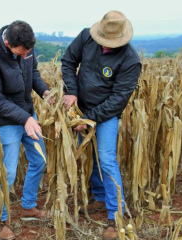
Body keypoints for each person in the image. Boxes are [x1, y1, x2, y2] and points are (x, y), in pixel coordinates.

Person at [61, 10, 142, 240]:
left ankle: (116, 216)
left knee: (106, 159)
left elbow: (118, 100)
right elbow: (68, 61)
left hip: (106, 115)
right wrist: (71, 91)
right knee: (91, 155)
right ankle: (98, 196)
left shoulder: (130, 60)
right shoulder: (86, 37)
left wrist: (90, 119)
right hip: (81, 109)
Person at [0, 20, 52, 240]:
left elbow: (33, 74)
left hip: (28, 113)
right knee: (7, 172)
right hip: (7, 120)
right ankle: (1, 221)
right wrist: (25, 118)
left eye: (27, 52)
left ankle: (28, 206)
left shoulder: (26, 46)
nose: (24, 55)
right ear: (8, 43)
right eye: (21, 52)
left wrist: (45, 92)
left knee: (39, 159)